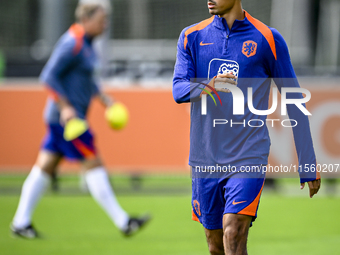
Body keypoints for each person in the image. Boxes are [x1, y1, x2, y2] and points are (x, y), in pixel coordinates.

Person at [172, 1, 321, 254]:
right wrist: (209, 86)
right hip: (205, 157)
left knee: (233, 231)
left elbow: (294, 100)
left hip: (248, 154)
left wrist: (308, 162)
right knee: (215, 245)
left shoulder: (268, 39)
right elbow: (178, 90)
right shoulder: (191, 36)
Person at [11, 3, 150, 239]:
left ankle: (20, 223)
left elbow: (85, 78)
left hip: (64, 120)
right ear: (86, 19)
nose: (105, 25)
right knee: (93, 163)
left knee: (44, 168)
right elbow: (48, 76)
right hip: (68, 122)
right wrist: (65, 107)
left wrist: (104, 98)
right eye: (101, 20)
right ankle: (124, 222)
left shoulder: (87, 44)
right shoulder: (72, 43)